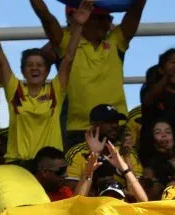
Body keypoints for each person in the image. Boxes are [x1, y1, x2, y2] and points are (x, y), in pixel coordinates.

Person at [0, 0, 87, 162]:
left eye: (40, 65)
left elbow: (69, 57)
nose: (34, 68)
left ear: (47, 70)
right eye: (29, 65)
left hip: (49, 165)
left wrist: (78, 25)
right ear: (22, 70)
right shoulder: (14, 88)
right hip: (18, 163)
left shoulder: (55, 90)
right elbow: (0, 57)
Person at [28, 0, 146, 148]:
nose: (107, 22)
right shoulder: (66, 43)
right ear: (84, 18)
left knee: (123, 171)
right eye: (101, 18)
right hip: (79, 131)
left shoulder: (116, 40)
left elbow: (136, 9)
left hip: (117, 127)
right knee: (79, 172)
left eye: (108, 18)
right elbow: (46, 17)